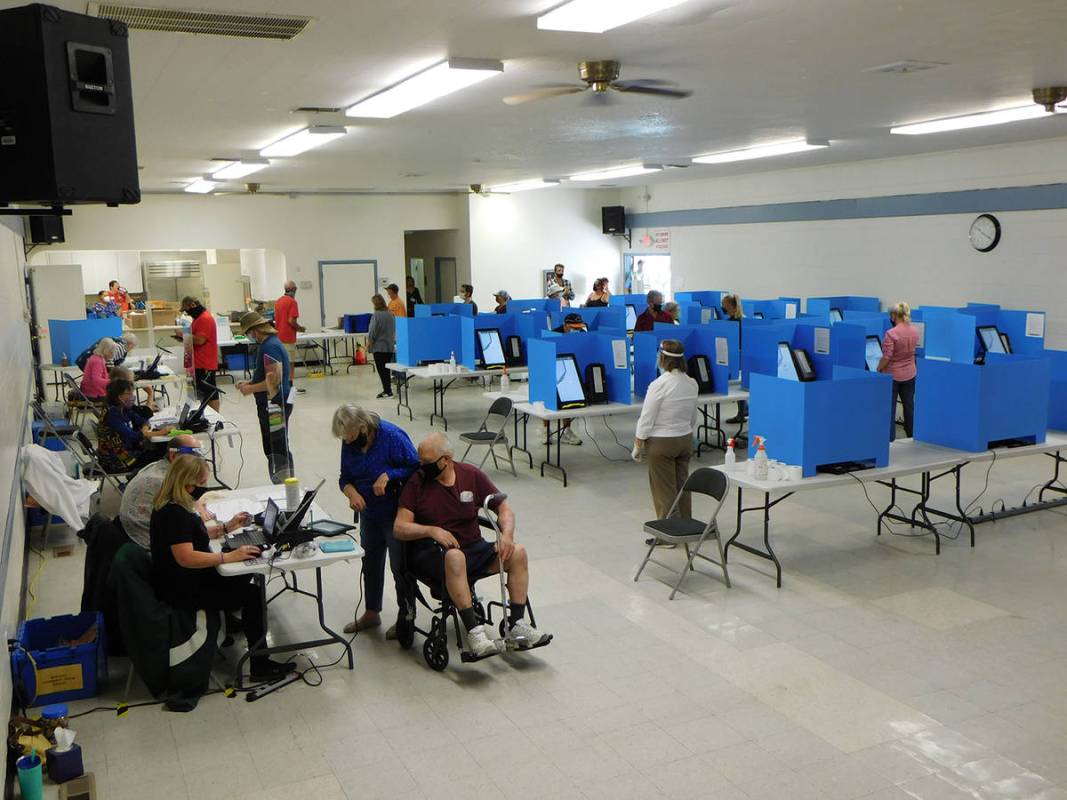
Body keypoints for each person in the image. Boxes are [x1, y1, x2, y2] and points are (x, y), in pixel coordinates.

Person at [394, 432, 551, 657]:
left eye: (426, 462)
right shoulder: (417, 482)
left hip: (473, 548)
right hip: (431, 553)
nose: (421, 466)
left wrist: (506, 534)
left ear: (446, 459)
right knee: (455, 556)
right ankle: (475, 633)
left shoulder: (470, 475)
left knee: (518, 552)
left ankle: (517, 624)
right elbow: (399, 527)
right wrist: (432, 530)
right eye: (421, 461)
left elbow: (504, 508)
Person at [149, 454, 294, 681]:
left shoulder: (170, 503)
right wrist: (227, 557)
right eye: (201, 484)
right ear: (187, 483)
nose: (203, 489)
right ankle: (260, 665)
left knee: (248, 572)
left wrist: (226, 528)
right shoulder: (174, 514)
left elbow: (190, 537)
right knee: (252, 593)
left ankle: (236, 623)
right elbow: (185, 557)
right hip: (183, 589)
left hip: (181, 579)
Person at [332, 405, 419, 635]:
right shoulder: (349, 441)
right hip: (369, 513)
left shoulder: (392, 436)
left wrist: (389, 475)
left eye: (351, 437)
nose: (349, 443)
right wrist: (352, 493)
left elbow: (416, 468)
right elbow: (345, 478)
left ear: (363, 427)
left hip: (395, 512)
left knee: (400, 566)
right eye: (345, 440)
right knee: (370, 562)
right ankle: (372, 612)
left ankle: (406, 617)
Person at [120, 435, 249, 550]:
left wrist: (224, 527)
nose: (198, 460)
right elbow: (186, 534)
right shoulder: (165, 483)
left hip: (143, 534)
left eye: (200, 454)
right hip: (148, 542)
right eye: (193, 454)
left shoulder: (162, 468)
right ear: (173, 455)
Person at [634, 340, 699, 541]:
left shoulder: (659, 384)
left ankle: (666, 535)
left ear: (662, 359)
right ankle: (686, 526)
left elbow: (647, 416)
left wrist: (638, 442)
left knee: (663, 490)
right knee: (682, 485)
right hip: (684, 439)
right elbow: (693, 415)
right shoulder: (692, 383)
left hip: (662, 443)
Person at [236, 311, 293, 483]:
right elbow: (269, 376)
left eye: (248, 333)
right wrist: (251, 382)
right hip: (272, 400)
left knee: (277, 449)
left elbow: (274, 381)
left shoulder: (270, 346)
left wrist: (250, 389)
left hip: (275, 403)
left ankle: (284, 486)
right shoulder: (270, 344)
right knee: (273, 446)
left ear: (255, 331)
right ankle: (282, 483)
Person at [97, 379, 173, 472]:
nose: (132, 396)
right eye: (129, 393)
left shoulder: (124, 408)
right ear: (119, 396)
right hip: (117, 459)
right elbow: (133, 436)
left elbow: (142, 420)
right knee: (164, 451)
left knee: (161, 446)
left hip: (127, 449)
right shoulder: (111, 414)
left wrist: (145, 430)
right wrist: (161, 432)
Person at [878, 302, 920, 440]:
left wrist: (879, 368)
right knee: (909, 407)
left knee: (890, 409)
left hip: (893, 375)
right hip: (910, 373)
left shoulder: (891, 333)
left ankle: (890, 439)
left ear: (895, 315)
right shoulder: (915, 330)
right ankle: (912, 436)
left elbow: (887, 356)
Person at [173, 296, 220, 411]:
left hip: (205, 363)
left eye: (187, 310)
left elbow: (200, 340)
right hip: (197, 362)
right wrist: (184, 337)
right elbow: (195, 337)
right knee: (202, 393)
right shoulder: (198, 319)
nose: (187, 313)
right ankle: (206, 414)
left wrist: (182, 334)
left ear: (193, 305)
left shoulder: (205, 318)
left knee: (210, 393)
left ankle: (216, 417)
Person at [274, 280, 305, 392]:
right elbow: (291, 321)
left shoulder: (278, 301)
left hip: (278, 338)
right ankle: (289, 387)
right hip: (288, 338)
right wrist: (300, 328)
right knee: (290, 364)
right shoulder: (292, 302)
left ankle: (280, 387)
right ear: (293, 289)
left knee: (280, 364)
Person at [721, 293, 747, 424]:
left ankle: (741, 414)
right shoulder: (745, 320)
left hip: (735, 356)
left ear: (730, 306)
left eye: (723, 306)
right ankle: (743, 410)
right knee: (742, 385)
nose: (722, 308)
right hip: (744, 356)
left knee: (739, 386)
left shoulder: (730, 323)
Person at [367, 294, 396, 399]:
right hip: (389, 346)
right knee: (387, 369)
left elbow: (372, 332)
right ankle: (387, 390)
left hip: (379, 348)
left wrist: (369, 345)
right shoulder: (390, 315)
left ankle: (388, 391)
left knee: (381, 370)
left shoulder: (376, 315)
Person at [80, 337, 117, 401]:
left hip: (90, 391)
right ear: (106, 351)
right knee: (120, 396)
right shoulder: (97, 361)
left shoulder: (97, 358)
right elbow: (96, 381)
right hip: (93, 394)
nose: (112, 355)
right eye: (111, 352)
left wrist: (112, 377)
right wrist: (112, 382)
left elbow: (101, 376)